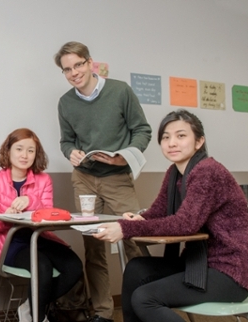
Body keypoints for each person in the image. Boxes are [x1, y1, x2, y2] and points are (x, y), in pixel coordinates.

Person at [94, 109, 248, 322]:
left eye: (181, 136)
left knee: (145, 298)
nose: (171, 143)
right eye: (165, 137)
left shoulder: (208, 171)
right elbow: (158, 213)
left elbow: (185, 223)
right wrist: (138, 219)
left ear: (199, 142)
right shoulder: (174, 173)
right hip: (198, 263)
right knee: (136, 268)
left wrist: (126, 228)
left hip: (229, 272)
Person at [54, 41, 152, 322]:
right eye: (67, 69)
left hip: (117, 177)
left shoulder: (120, 91)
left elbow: (142, 130)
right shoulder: (65, 102)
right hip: (84, 178)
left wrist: (126, 156)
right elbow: (66, 140)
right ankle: (103, 313)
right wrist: (69, 152)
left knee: (133, 240)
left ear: (89, 62)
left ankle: (145, 305)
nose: (74, 73)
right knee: (93, 248)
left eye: (78, 65)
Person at [0, 128, 84, 322]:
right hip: (7, 244)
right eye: (19, 149)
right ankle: (38, 317)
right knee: (41, 266)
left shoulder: (43, 180)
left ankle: (30, 306)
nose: (24, 155)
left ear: (37, 154)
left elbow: (48, 215)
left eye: (31, 150)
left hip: (38, 238)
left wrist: (30, 200)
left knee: (74, 266)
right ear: (8, 151)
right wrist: (3, 217)